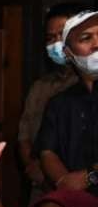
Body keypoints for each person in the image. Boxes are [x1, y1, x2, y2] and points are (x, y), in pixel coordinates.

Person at [20, 3, 83, 199]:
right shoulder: (41, 87)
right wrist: (37, 172)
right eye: (50, 38)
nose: (56, 43)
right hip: (44, 192)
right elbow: (24, 138)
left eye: (61, 35)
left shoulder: (89, 84)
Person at [36, 10, 98, 194]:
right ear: (68, 52)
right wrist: (64, 182)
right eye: (86, 38)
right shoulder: (60, 103)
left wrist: (90, 176)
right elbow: (47, 151)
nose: (96, 45)